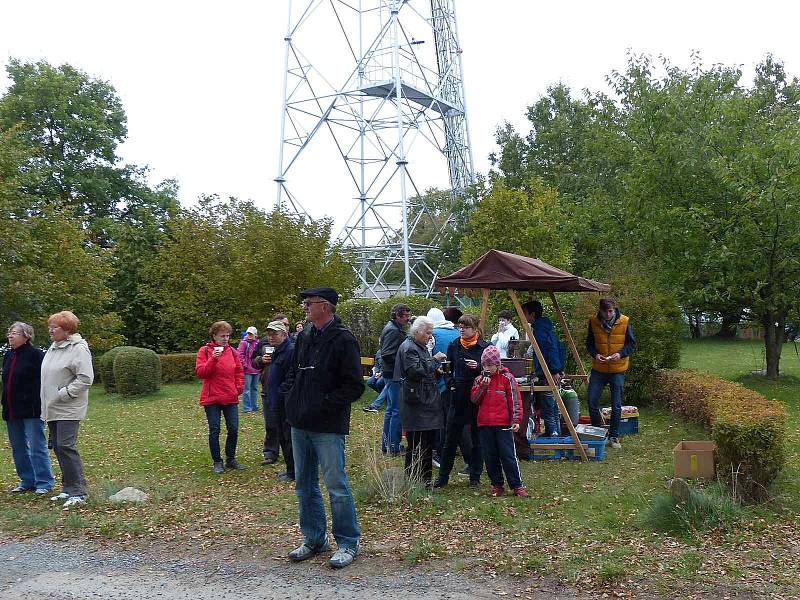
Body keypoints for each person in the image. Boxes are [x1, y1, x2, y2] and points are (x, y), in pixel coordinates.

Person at [283, 287, 364, 569]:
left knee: (336, 485)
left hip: (328, 425)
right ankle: (315, 538)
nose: (305, 307)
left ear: (326, 307)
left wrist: (324, 404)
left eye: (310, 303)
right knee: (304, 484)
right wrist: (292, 398)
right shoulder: (305, 336)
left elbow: (355, 385)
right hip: (300, 422)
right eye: (304, 302)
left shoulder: (343, 340)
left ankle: (348, 542)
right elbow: (293, 372)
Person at [40, 311, 93, 507]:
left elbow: (86, 378)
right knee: (58, 447)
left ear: (67, 330)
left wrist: (64, 393)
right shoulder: (54, 348)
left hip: (69, 407)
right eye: (50, 326)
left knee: (66, 446)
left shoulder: (78, 349)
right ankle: (67, 488)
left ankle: (79, 491)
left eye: (55, 327)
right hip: (52, 406)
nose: (50, 330)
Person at [434, 314, 490, 489]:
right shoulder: (455, 345)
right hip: (457, 396)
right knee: (451, 437)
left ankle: (475, 476)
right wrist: (450, 381)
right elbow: (448, 367)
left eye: (465, 327)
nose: (462, 329)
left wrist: (479, 368)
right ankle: (443, 477)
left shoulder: (485, 347)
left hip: (477, 397)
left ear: (475, 329)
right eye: (460, 326)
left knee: (477, 438)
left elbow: (495, 368)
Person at [2, 322, 54, 495]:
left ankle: (44, 482)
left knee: (37, 446)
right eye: (9, 332)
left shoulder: (36, 355)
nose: (10, 336)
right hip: (12, 409)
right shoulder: (8, 355)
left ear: (26, 336)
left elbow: (44, 381)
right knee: (18, 447)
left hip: (31, 409)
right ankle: (27, 480)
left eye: (15, 333)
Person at [395, 315, 445, 487]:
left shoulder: (419, 346)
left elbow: (421, 369)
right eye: (428, 333)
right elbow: (415, 371)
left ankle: (424, 478)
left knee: (426, 443)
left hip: (425, 400)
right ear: (418, 332)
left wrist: (435, 371)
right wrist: (434, 360)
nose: (430, 336)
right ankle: (417, 479)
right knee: (417, 444)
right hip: (417, 402)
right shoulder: (410, 348)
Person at [470, 345, 527, 497]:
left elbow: (515, 400)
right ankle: (497, 484)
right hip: (485, 424)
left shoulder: (507, 378)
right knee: (490, 456)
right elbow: (474, 400)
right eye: (485, 365)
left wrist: (516, 418)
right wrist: (482, 386)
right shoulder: (479, 380)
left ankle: (517, 485)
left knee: (508, 455)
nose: (488, 368)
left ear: (498, 364)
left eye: (490, 365)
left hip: (503, 423)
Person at [586, 298, 636, 450]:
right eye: (605, 311)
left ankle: (614, 436)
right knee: (592, 401)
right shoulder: (593, 322)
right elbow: (589, 344)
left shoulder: (624, 321)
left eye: (611, 311)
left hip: (617, 369)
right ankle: (597, 433)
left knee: (616, 405)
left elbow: (631, 343)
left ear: (614, 310)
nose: (608, 314)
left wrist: (620, 354)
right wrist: (595, 355)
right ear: (600, 311)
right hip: (599, 369)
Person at [196, 321, 245, 474]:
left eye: (228, 335)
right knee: (214, 429)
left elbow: (239, 371)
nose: (225, 338)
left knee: (233, 429)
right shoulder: (204, 351)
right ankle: (217, 461)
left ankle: (231, 458)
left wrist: (238, 388)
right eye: (222, 336)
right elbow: (201, 372)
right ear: (214, 336)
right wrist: (213, 359)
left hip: (230, 396)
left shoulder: (233, 352)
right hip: (212, 398)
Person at [252, 320, 295, 481]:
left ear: (284, 334)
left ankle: (293, 471)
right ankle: (290, 469)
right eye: (269, 333)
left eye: (275, 333)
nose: (271, 337)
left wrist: (282, 391)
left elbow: (292, 375)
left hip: (284, 400)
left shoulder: (290, 350)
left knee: (288, 436)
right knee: (281, 435)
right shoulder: (275, 350)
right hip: (273, 398)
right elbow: (254, 361)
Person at [523, 300, 566, 438]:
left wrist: (554, 370)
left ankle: (552, 435)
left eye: (524, 313)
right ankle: (555, 432)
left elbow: (550, 350)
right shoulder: (544, 327)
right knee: (553, 405)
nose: (522, 316)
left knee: (549, 405)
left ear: (532, 314)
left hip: (548, 372)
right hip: (551, 370)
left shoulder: (540, 331)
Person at [426, 307, 461, 465]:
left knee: (439, 419)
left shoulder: (432, 336)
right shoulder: (456, 333)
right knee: (454, 418)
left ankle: (439, 452)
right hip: (457, 380)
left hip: (439, 381)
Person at [378, 303, 411, 455]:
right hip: (393, 374)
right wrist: (402, 364)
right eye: (405, 316)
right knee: (396, 410)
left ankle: (387, 445)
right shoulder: (393, 331)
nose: (408, 319)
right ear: (397, 315)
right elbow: (387, 354)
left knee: (391, 410)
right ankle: (393, 446)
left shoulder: (393, 328)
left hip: (389, 373)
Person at [238, 326, 261, 412]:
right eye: (248, 333)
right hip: (247, 370)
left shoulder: (258, 343)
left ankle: (254, 406)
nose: (249, 335)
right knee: (246, 389)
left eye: (251, 334)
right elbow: (240, 355)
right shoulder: (244, 343)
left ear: (255, 334)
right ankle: (247, 407)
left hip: (256, 369)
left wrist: (259, 365)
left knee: (254, 388)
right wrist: (245, 365)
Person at [362, 349, 387, 413]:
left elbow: (389, 366)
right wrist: (376, 372)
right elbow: (376, 365)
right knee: (370, 382)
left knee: (379, 383)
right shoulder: (379, 352)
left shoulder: (389, 351)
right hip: (378, 372)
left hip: (386, 373)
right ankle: (385, 397)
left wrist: (381, 373)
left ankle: (374, 405)